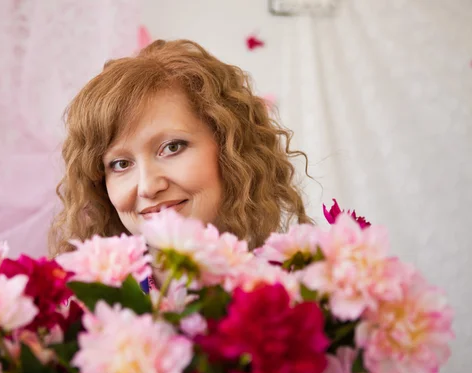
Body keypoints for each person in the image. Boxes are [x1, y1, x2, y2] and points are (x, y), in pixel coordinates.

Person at [49, 39, 311, 288]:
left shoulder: (303, 290)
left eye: (172, 148)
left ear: (231, 150)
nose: (148, 187)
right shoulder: (76, 309)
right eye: (120, 164)